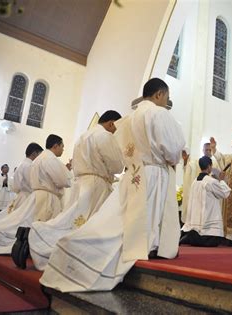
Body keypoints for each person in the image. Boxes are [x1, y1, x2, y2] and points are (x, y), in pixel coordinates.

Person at [39, 78, 185, 292]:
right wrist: (174, 159)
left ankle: (75, 246)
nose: (166, 102)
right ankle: (147, 245)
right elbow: (172, 148)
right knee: (141, 216)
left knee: (118, 219)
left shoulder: (128, 119)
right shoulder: (159, 113)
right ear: (159, 94)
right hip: (154, 172)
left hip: (134, 173)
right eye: (167, 97)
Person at [26, 111, 124, 270]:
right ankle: (44, 236)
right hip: (96, 184)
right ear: (111, 123)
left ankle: (41, 235)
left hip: (82, 182)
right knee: (87, 224)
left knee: (70, 219)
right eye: (116, 128)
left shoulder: (82, 137)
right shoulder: (105, 136)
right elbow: (117, 165)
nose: (116, 132)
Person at [0, 135, 72, 254]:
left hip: (33, 195)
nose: (63, 149)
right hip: (43, 197)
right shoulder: (49, 159)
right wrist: (68, 174)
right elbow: (63, 181)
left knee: (18, 221)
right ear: (55, 146)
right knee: (25, 223)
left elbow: (16, 186)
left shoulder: (36, 160)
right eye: (62, 146)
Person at [0, 143, 43, 250]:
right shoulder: (29, 166)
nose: (40, 157)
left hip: (20, 196)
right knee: (17, 222)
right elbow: (33, 184)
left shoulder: (21, 164)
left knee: (13, 220)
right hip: (27, 197)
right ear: (34, 153)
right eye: (39, 154)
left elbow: (15, 186)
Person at [181, 156, 230, 246]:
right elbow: (225, 193)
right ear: (209, 167)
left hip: (195, 226)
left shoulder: (194, 182)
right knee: (214, 240)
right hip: (208, 229)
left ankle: (189, 238)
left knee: (196, 236)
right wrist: (222, 181)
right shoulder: (210, 181)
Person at [180, 147, 197, 224]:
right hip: (186, 191)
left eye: (185, 153)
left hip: (191, 191)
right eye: (182, 153)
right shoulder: (185, 163)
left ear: (188, 153)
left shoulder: (192, 163)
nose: (183, 154)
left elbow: (192, 177)